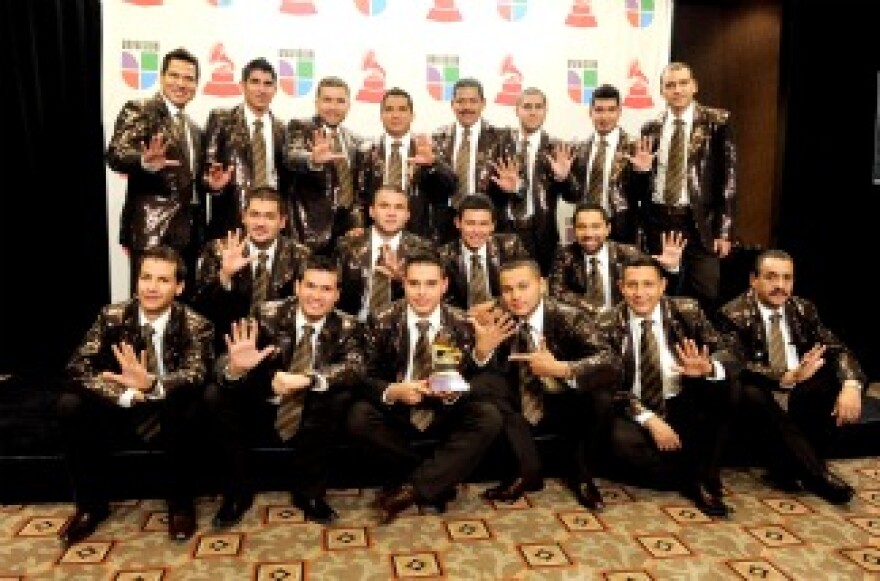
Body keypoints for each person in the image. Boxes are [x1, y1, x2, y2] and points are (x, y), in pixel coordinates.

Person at [57, 246, 214, 545]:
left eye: (162, 280)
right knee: (69, 404)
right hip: (123, 406)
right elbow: (76, 366)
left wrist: (153, 385)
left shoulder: (196, 324)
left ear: (179, 287)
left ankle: (181, 506)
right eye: (145, 277)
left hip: (169, 406)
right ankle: (90, 508)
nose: (151, 287)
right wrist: (123, 394)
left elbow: (196, 373)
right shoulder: (112, 316)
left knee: (191, 401)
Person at [345, 251, 505, 524]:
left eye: (430, 284)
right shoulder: (380, 320)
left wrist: (458, 389)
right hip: (398, 408)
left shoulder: (462, 323)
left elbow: (483, 380)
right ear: (403, 284)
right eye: (414, 283)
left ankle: (411, 490)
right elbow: (363, 375)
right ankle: (435, 482)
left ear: (444, 285)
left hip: (443, 409)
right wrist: (394, 391)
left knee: (489, 416)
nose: (421, 293)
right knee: (357, 416)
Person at [207, 255, 365, 526]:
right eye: (311, 286)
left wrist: (309, 379)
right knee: (215, 395)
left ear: (337, 295)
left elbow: (355, 368)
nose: (317, 296)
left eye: (326, 289)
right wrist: (236, 369)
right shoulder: (266, 314)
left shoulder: (349, 326)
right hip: (263, 400)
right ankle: (237, 493)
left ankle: (309, 493)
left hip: (311, 404)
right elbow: (225, 360)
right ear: (297, 287)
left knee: (340, 396)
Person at [595, 256, 741, 518]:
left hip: (681, 397)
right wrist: (651, 421)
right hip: (634, 406)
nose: (640, 293)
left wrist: (708, 367)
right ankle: (699, 478)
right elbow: (608, 385)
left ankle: (699, 476)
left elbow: (730, 352)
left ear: (663, 286)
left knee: (728, 389)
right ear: (621, 287)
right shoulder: (606, 324)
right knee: (618, 439)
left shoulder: (687, 310)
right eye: (632, 285)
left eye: (648, 285)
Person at [716, 249, 864, 504]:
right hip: (763, 392)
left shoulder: (803, 309)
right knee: (749, 393)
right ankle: (817, 475)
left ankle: (789, 467)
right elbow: (735, 363)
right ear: (754, 280)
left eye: (787, 278)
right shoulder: (731, 314)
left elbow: (837, 348)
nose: (780, 286)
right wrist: (785, 376)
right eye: (772, 278)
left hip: (799, 390)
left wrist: (851, 386)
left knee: (826, 380)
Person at [477, 259, 622, 508]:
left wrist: (562, 369)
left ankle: (583, 476)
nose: (515, 296)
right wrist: (481, 351)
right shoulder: (496, 319)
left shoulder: (570, 317)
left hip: (564, 397)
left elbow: (610, 361)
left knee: (601, 396)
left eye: (523, 287)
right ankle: (527, 471)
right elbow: (475, 371)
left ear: (541, 285)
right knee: (484, 384)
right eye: (508, 289)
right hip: (519, 403)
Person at [637, 62, 737, 315]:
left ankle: (698, 349)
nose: (677, 90)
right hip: (658, 221)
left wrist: (724, 231)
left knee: (705, 291)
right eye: (670, 85)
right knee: (662, 291)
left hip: (699, 223)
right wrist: (642, 172)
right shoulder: (651, 127)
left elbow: (729, 178)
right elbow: (643, 182)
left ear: (694, 86)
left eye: (683, 83)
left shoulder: (717, 121)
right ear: (662, 91)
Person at [107, 47, 205, 297]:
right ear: (161, 78)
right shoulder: (141, 109)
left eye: (189, 78)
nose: (181, 84)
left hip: (189, 235)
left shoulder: (194, 128)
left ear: (196, 84)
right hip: (151, 231)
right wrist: (144, 162)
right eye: (174, 76)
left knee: (181, 315)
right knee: (146, 308)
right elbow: (117, 153)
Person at [190, 186, 310, 352]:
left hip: (281, 348)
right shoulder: (217, 250)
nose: (260, 223)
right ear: (243, 217)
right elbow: (200, 311)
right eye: (254, 215)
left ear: (282, 222)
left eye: (269, 217)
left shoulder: (301, 256)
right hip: (227, 345)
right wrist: (224, 276)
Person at [201, 57, 289, 242]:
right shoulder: (221, 120)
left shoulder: (282, 129)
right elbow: (207, 171)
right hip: (230, 224)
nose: (261, 89)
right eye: (255, 82)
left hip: (271, 225)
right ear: (242, 85)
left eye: (268, 84)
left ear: (275, 89)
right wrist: (214, 185)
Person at [550, 84, 649, 244]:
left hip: (622, 230)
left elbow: (642, 195)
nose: (605, 116)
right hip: (586, 230)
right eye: (599, 110)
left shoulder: (635, 148)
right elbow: (572, 196)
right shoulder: (579, 149)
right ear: (590, 112)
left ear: (619, 112)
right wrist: (563, 178)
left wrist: (643, 172)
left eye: (611, 110)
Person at [359, 87, 456, 243]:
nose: (395, 115)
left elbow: (451, 187)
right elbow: (360, 195)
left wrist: (432, 165)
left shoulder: (433, 148)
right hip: (377, 235)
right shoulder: (366, 151)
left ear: (412, 115)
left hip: (423, 235)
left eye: (402, 109)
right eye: (389, 109)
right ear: (381, 115)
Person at [283, 76, 367, 255]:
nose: (333, 107)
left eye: (340, 101)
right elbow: (292, 156)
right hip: (308, 234)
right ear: (317, 102)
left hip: (346, 237)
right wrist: (312, 160)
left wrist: (357, 224)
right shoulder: (301, 127)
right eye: (327, 100)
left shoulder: (354, 140)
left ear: (348, 105)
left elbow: (357, 192)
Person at [548, 202, 683, 313]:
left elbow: (656, 291)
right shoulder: (564, 254)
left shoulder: (629, 253)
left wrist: (671, 269)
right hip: (583, 324)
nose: (589, 233)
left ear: (608, 229)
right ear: (574, 230)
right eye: (582, 227)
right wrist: (594, 310)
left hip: (622, 324)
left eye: (596, 227)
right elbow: (557, 293)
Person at [489, 87, 562, 276]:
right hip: (505, 230)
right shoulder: (499, 146)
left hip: (541, 233)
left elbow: (574, 194)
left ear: (546, 110)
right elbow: (488, 192)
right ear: (517, 109)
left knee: (539, 287)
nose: (532, 112)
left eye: (538, 107)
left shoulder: (556, 148)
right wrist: (508, 189)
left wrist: (563, 177)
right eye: (527, 106)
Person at [334, 186, 432, 320]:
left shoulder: (423, 249)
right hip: (354, 326)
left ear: (407, 215)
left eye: (398, 207)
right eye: (384, 206)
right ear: (372, 212)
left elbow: (431, 298)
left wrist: (402, 279)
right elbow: (333, 291)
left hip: (400, 327)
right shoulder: (347, 245)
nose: (391, 213)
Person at [430, 78, 506, 244]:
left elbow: (516, 185)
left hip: (485, 223)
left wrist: (515, 187)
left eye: (473, 101)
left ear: (483, 103)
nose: (467, 107)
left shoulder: (501, 139)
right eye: (461, 101)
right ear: (452, 104)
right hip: (445, 223)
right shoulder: (436, 139)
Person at [438, 194, 530, 311]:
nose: (477, 231)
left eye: (483, 224)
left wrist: (493, 306)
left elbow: (526, 288)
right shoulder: (443, 255)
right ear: (458, 223)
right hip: (462, 321)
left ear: (493, 225)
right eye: (470, 223)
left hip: (506, 315)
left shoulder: (510, 247)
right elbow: (442, 300)